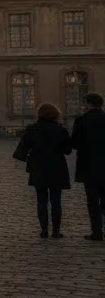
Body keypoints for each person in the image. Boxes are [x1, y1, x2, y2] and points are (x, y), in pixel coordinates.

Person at [14, 102, 72, 239]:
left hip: (39, 167)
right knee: (56, 200)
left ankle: (44, 230)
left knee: (41, 200)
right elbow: (68, 151)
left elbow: (21, 150)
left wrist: (29, 156)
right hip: (57, 167)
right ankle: (56, 231)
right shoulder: (60, 129)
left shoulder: (32, 129)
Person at [70, 92, 105, 241]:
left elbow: (75, 144)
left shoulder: (82, 120)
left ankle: (97, 232)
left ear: (89, 104)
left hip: (88, 165)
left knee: (92, 200)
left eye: (84, 103)